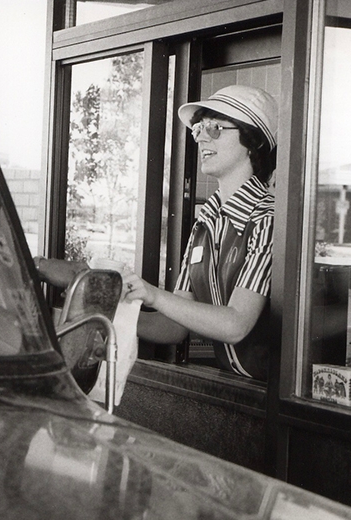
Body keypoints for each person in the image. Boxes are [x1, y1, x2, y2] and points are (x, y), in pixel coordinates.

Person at [37, 85, 278, 381]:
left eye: (214, 128)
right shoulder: (206, 223)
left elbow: (236, 324)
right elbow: (173, 327)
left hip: (273, 397)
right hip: (236, 386)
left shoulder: (268, 219)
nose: (200, 136)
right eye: (199, 128)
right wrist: (103, 317)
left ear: (253, 142)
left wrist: (151, 294)